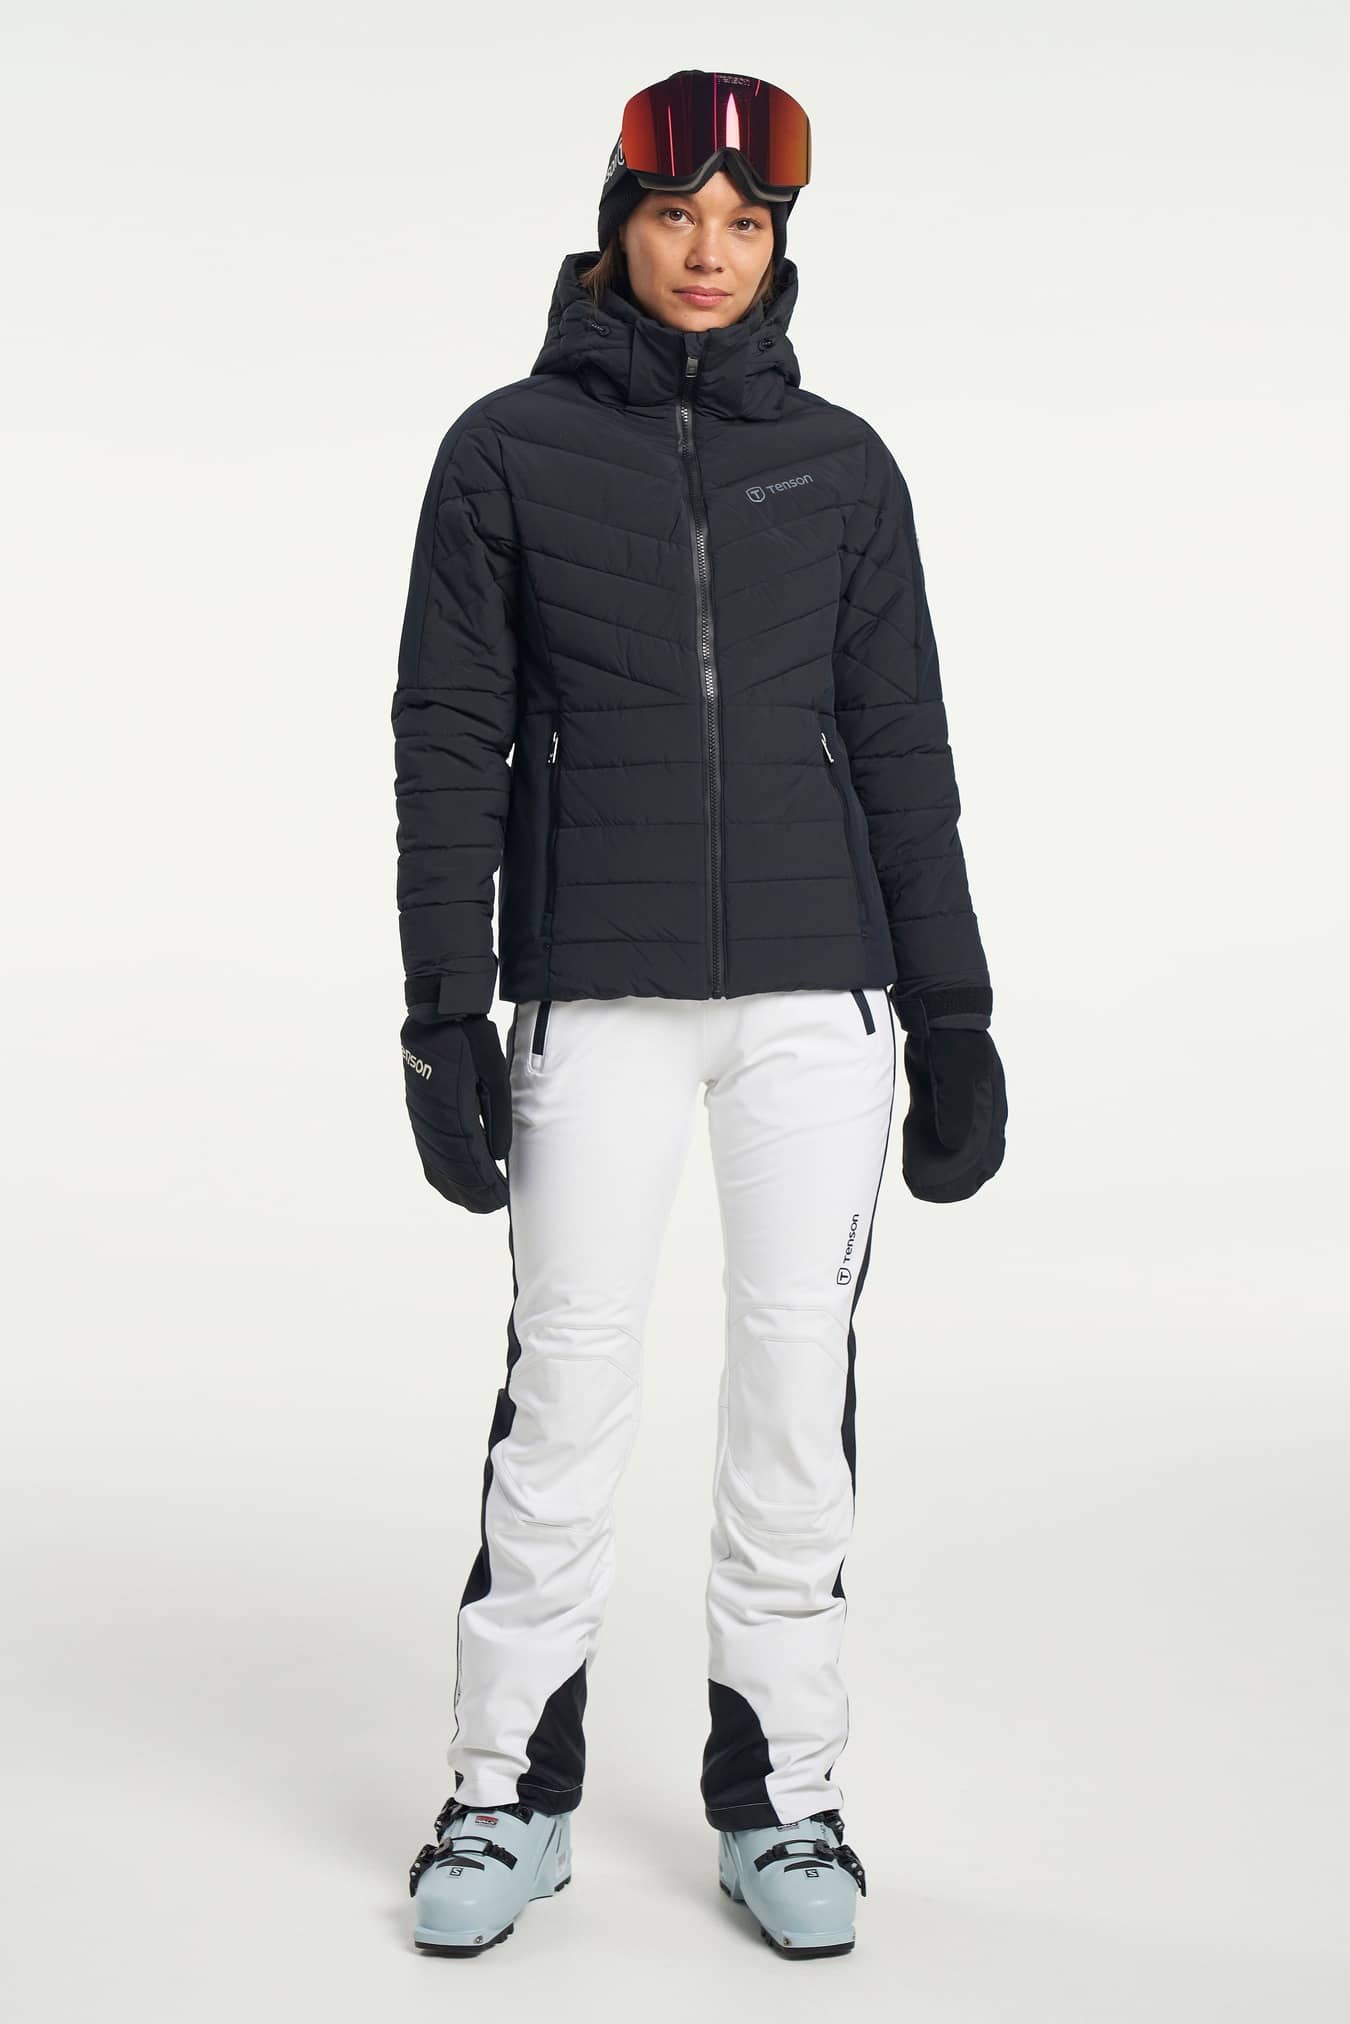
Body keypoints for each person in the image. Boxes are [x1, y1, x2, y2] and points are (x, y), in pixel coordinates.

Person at [393, 68, 1008, 1961]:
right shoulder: (504, 451)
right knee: (566, 1388)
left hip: (819, 1007)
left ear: (777, 243)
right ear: (617, 224)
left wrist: (954, 1009)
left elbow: (901, 748)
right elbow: (446, 740)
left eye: (745, 224)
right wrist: (442, 1011)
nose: (709, 252)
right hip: (597, 994)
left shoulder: (841, 465)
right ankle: (505, 1792)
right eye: (677, 216)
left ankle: (783, 1800)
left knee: (792, 1402)